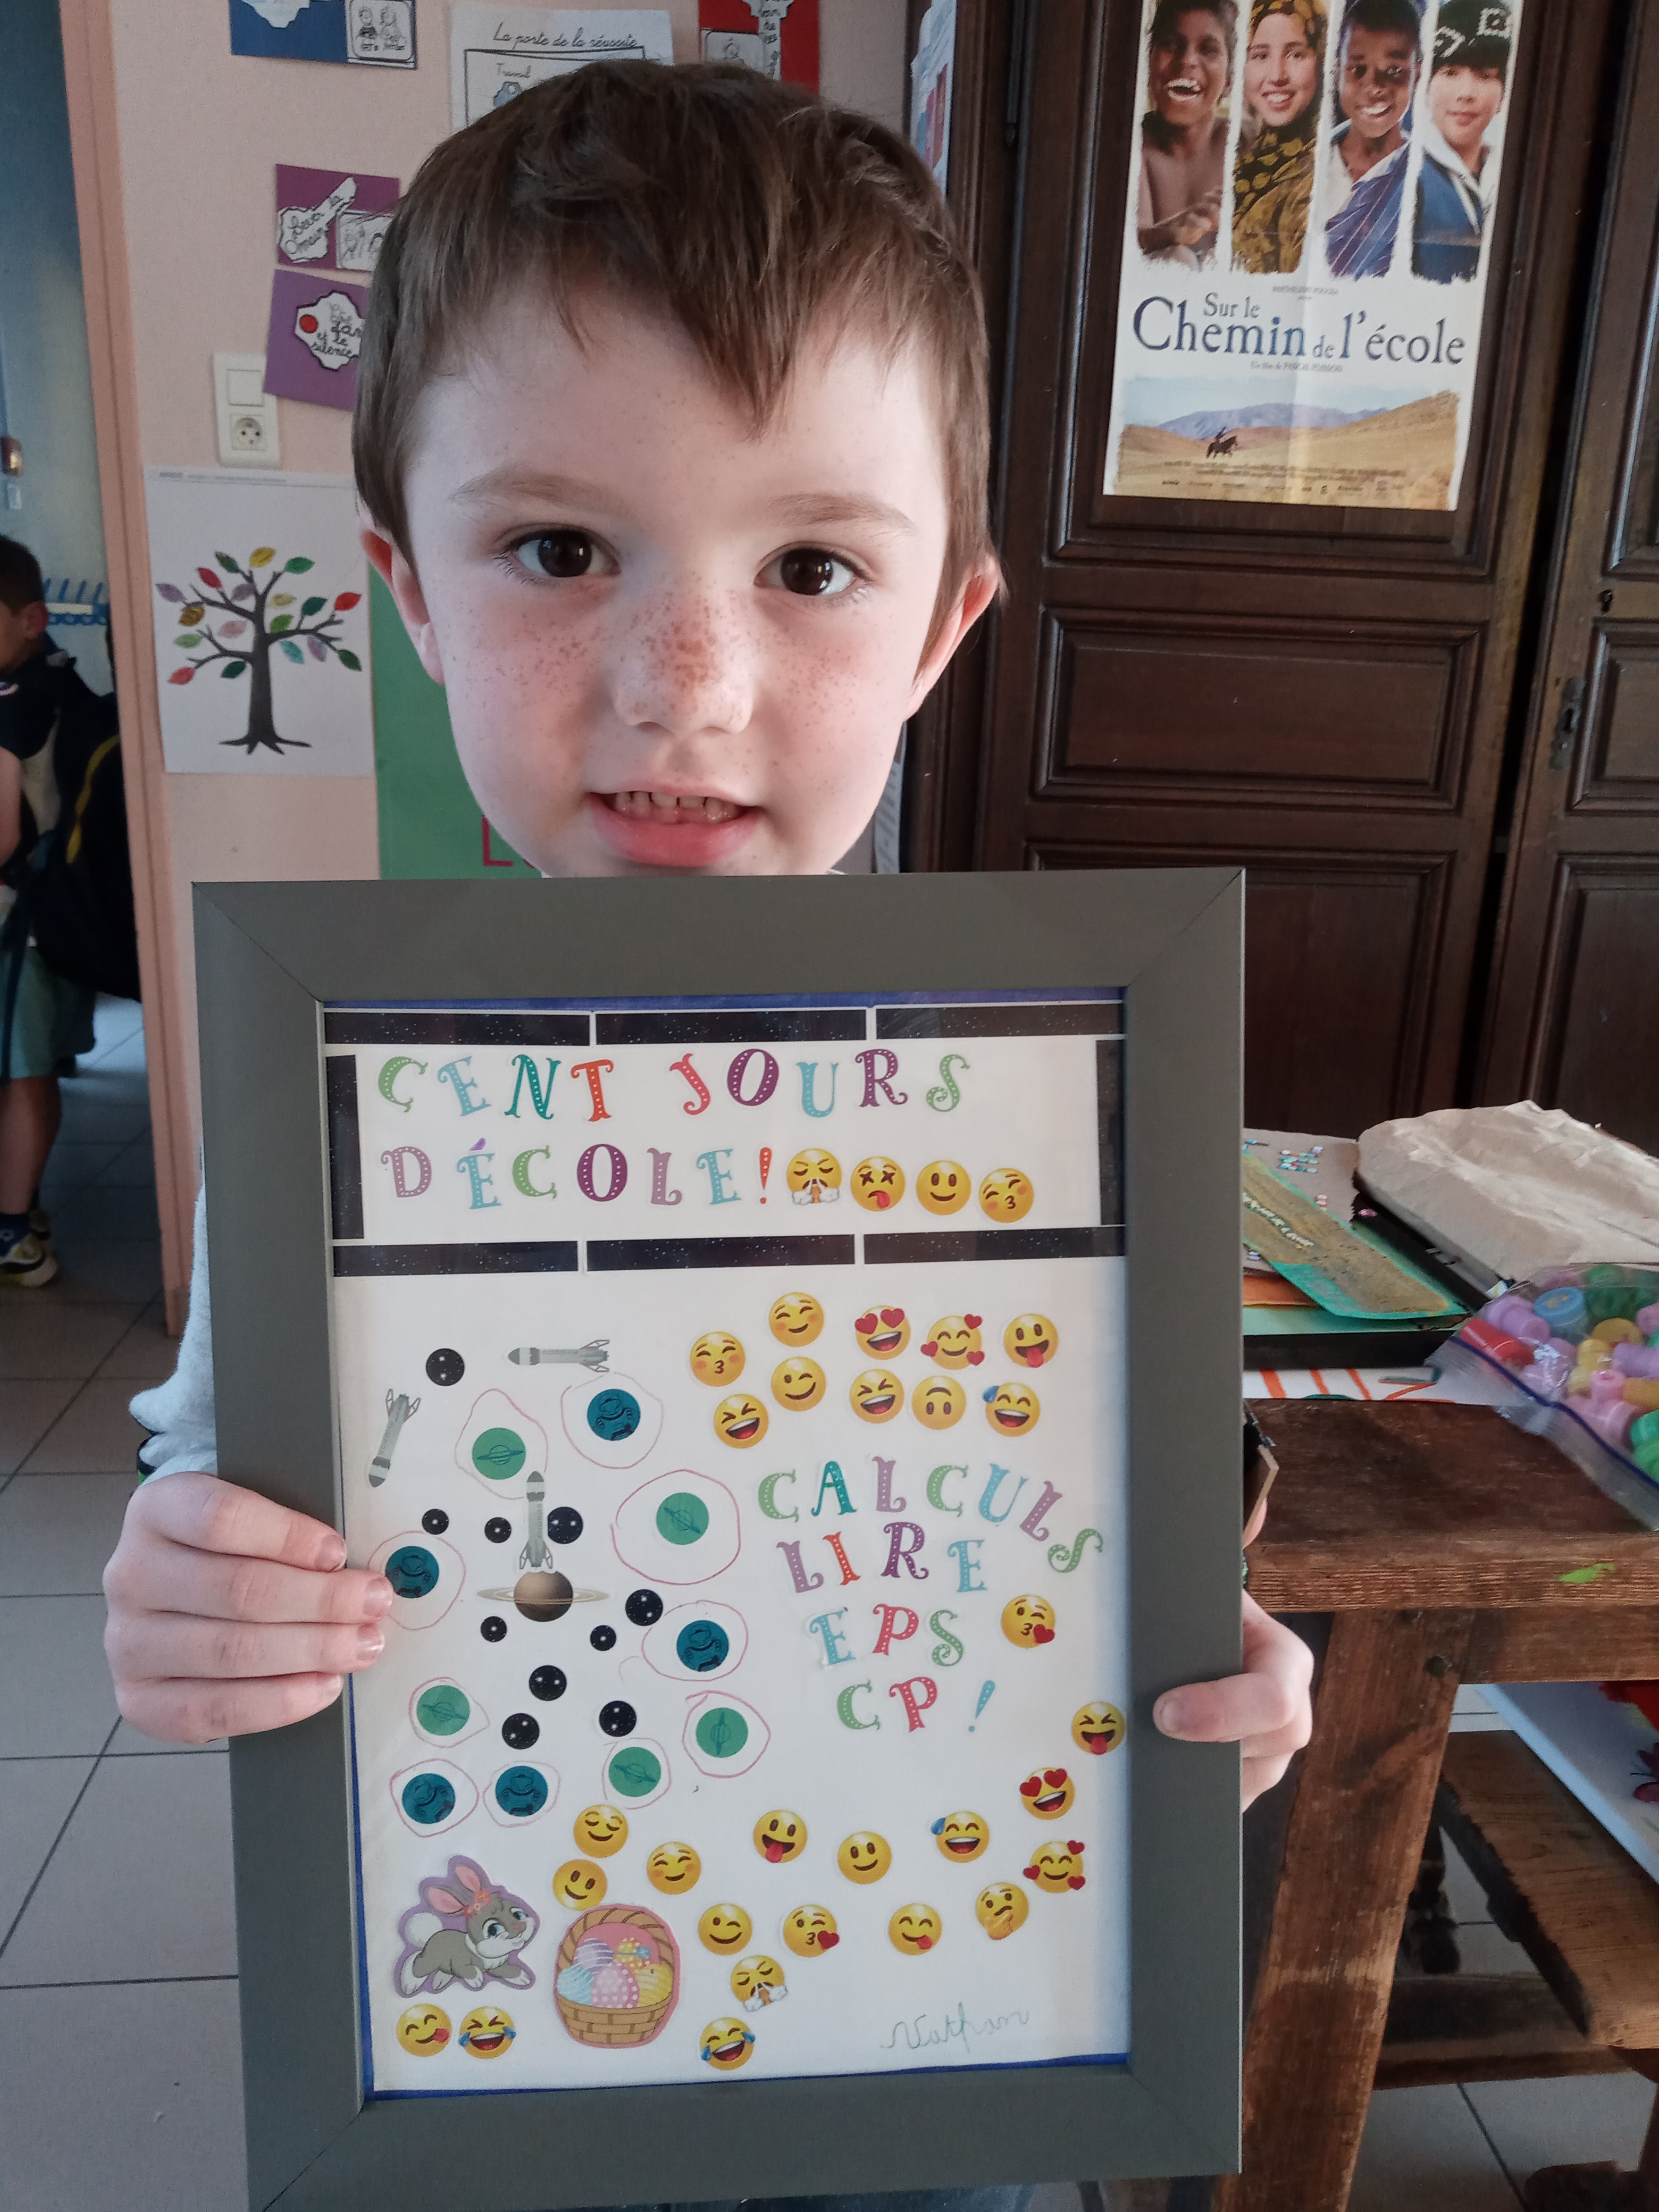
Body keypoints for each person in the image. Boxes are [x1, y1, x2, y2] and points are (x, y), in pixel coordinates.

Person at [104, 53, 1309, 1930]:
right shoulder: (333, 1090)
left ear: (939, 631)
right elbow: (224, 1460)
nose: (685, 686)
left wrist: (1196, 1669)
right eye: (558, 551)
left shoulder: (1056, 1099)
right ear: (412, 593)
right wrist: (194, 1579)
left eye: (812, 565)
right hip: (503, 1942)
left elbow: (1120, 1506)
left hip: (902, 1945)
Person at [0, 535, 102, 1285]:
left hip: (18, 924)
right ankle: (24, 1206)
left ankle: (11, 1233)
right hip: (60, 915)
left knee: (21, 1075)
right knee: (35, 1074)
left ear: (30, 619)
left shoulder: (13, 704)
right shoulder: (63, 679)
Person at [1412, 0, 1511, 282]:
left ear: (1504, 92)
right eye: (1450, 72)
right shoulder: (1405, 176)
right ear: (1424, 84)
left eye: (1485, 75)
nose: (1466, 93)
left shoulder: (1509, 174)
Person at [1324, 0, 1421, 277]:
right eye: (1358, 70)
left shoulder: (1426, 179)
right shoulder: (1304, 165)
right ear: (1337, 72)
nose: (1375, 88)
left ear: (1417, 76)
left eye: (1394, 71)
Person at [1137, 0, 1238, 265]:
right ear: (1149, 61)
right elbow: (1126, 242)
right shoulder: (1135, 145)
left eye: (1208, 50)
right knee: (1177, 257)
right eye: (1171, 45)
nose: (1187, 61)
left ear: (1230, 79)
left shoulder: (1243, 147)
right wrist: (1174, 231)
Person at [1231, 0, 1327, 274]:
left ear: (1322, 60)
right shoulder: (1251, 154)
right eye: (1261, 56)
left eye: (1296, 55)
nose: (1277, 75)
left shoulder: (1318, 171)